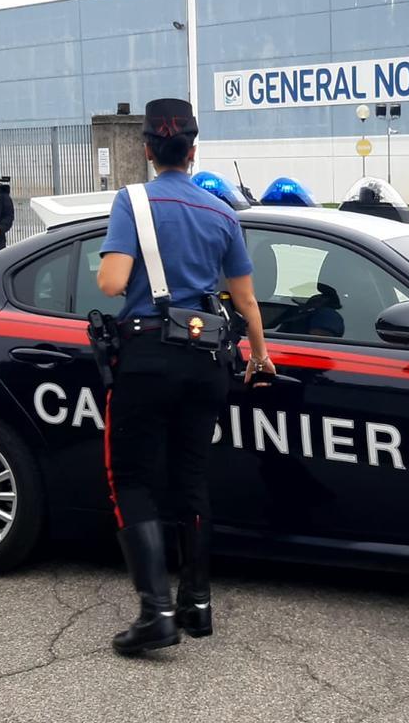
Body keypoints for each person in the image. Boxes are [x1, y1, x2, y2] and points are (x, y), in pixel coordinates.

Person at [96, 98, 275, 657]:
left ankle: (156, 614)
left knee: (130, 477)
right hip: (207, 361)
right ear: (193, 152)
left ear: (148, 150)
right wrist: (259, 355)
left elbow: (110, 282)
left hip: (148, 354)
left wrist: (121, 265)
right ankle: (197, 604)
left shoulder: (132, 201)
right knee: (192, 477)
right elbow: (245, 300)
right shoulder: (222, 213)